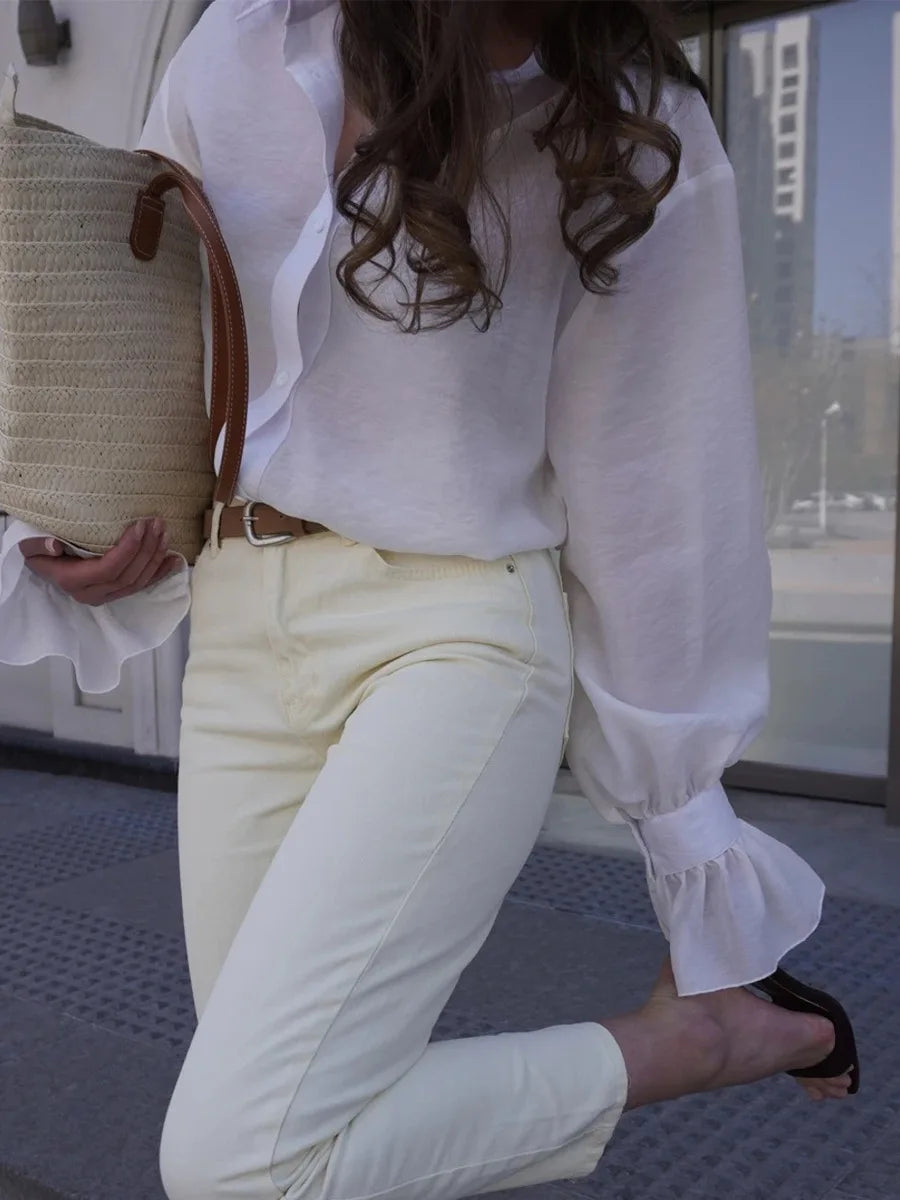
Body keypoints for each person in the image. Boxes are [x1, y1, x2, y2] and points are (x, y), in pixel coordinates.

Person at [0, 1, 856, 1197]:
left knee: (245, 1160)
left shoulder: (624, 121)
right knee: (309, 1135)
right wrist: (66, 524)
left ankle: (691, 1045)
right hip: (239, 629)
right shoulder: (238, 46)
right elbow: (148, 309)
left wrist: (686, 839)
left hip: (457, 632)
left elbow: (660, 482)